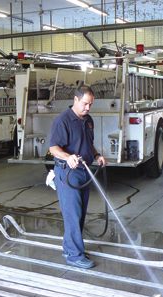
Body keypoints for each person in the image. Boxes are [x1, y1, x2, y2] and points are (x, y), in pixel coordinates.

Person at [49, 85, 107, 269]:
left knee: (79, 213)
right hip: (68, 173)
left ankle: (70, 248)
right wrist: (68, 157)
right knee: (72, 213)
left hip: (84, 172)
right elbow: (54, 148)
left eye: (90, 104)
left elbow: (89, 144)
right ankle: (74, 255)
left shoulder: (88, 120)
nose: (88, 108)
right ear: (75, 99)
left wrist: (97, 155)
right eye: (85, 104)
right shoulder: (63, 121)